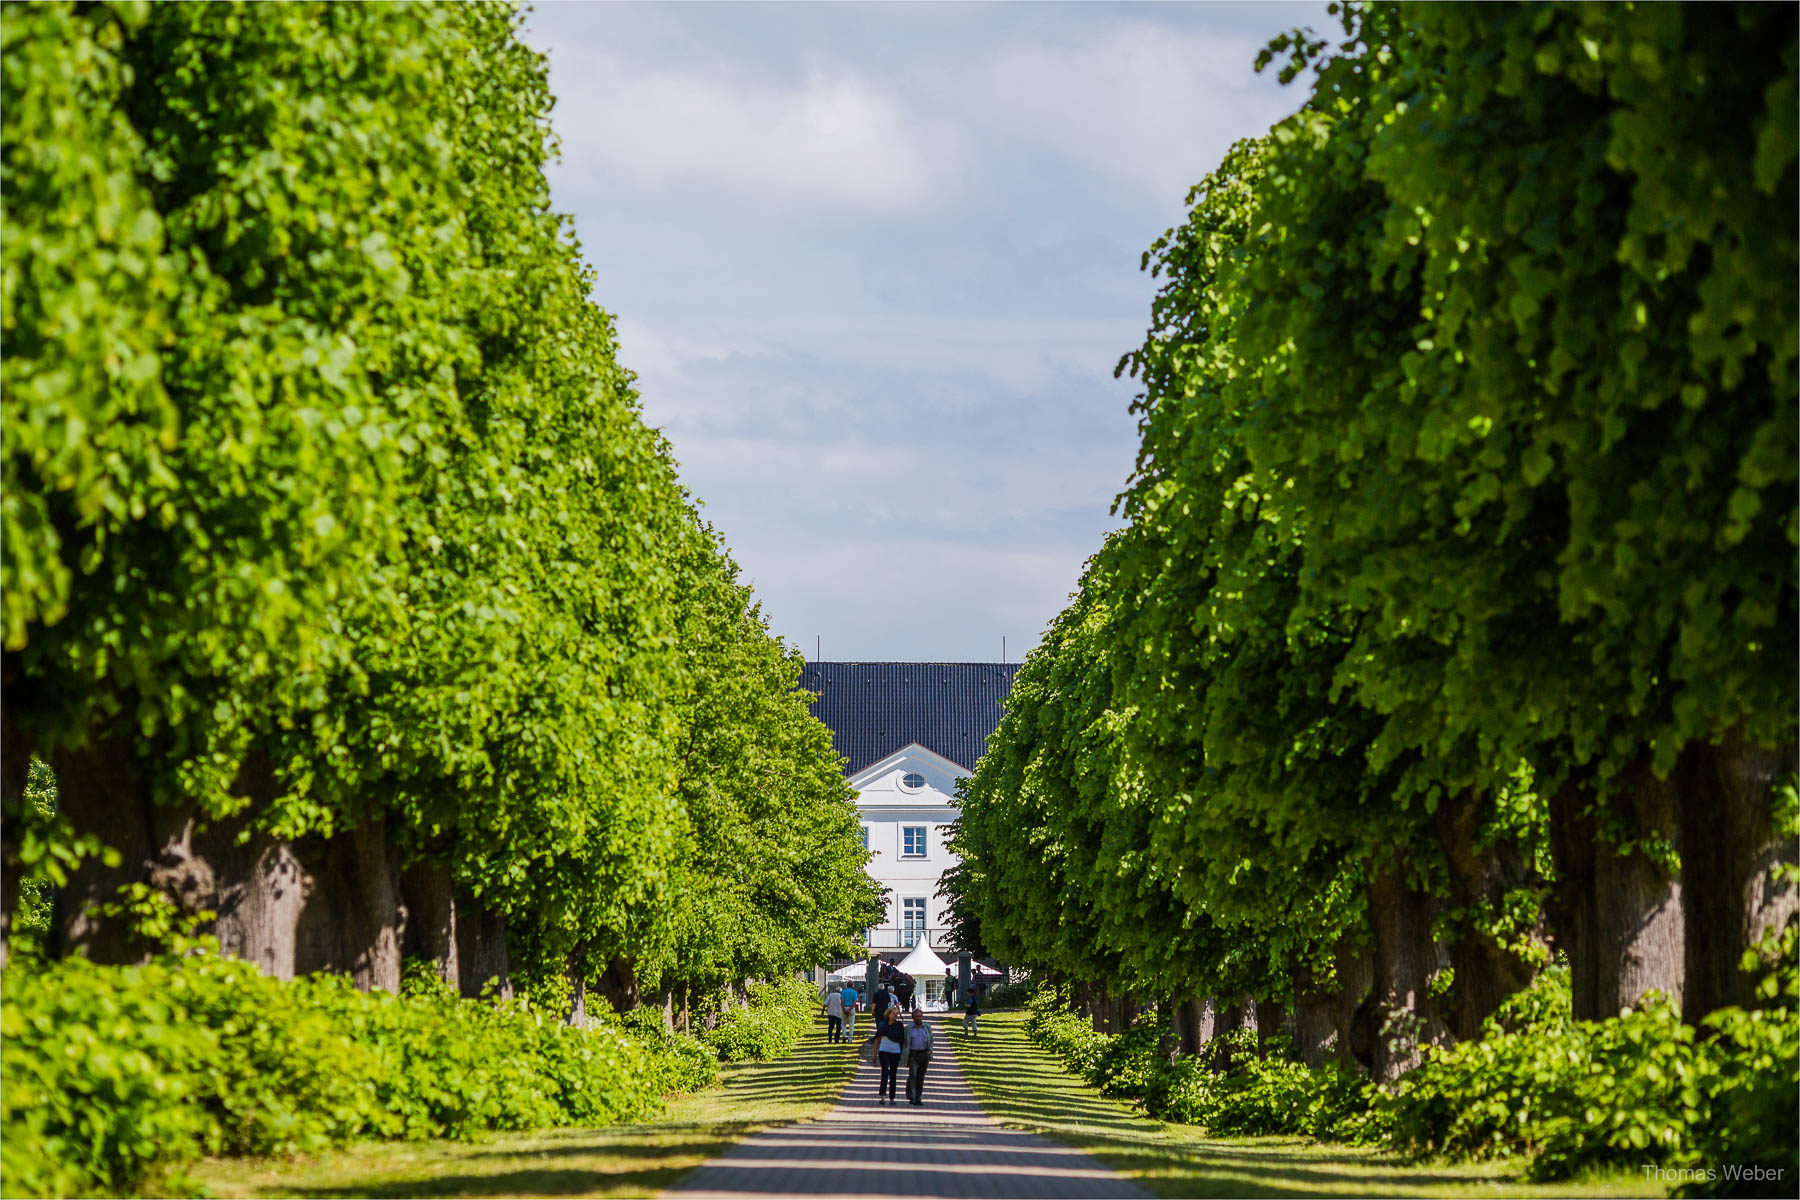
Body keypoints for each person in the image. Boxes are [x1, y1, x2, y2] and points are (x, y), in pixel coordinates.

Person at [875, 1006, 907, 1105]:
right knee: (884, 1072)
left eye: (897, 1014)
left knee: (893, 1074)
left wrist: (902, 1052)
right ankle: (883, 1096)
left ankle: (892, 1098)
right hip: (884, 1050)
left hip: (895, 1052)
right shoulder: (883, 1024)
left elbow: (902, 1039)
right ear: (888, 1014)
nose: (895, 1015)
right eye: (894, 1013)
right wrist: (874, 1053)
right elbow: (877, 1039)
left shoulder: (899, 1025)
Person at [903, 1008, 934, 1105]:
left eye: (920, 1016)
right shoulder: (908, 1028)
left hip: (924, 1054)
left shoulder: (927, 1027)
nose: (919, 1018)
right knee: (913, 1075)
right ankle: (912, 1097)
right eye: (916, 1017)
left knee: (921, 1077)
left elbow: (931, 1039)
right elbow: (905, 1042)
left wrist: (930, 1050)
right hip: (913, 1054)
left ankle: (918, 1098)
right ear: (913, 1018)